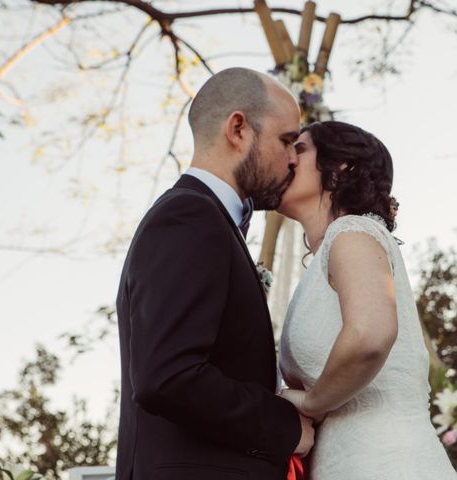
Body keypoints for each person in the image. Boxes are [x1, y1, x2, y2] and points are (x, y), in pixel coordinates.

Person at [115, 67, 314, 480]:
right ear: (238, 129)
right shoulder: (189, 216)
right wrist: (284, 425)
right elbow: (167, 376)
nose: (293, 158)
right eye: (286, 141)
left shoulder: (207, 220)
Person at [277, 121, 457, 479]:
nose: (287, 158)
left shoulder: (352, 233)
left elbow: (371, 333)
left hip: (387, 461)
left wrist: (312, 403)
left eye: (298, 149)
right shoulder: (327, 257)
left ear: (340, 167)